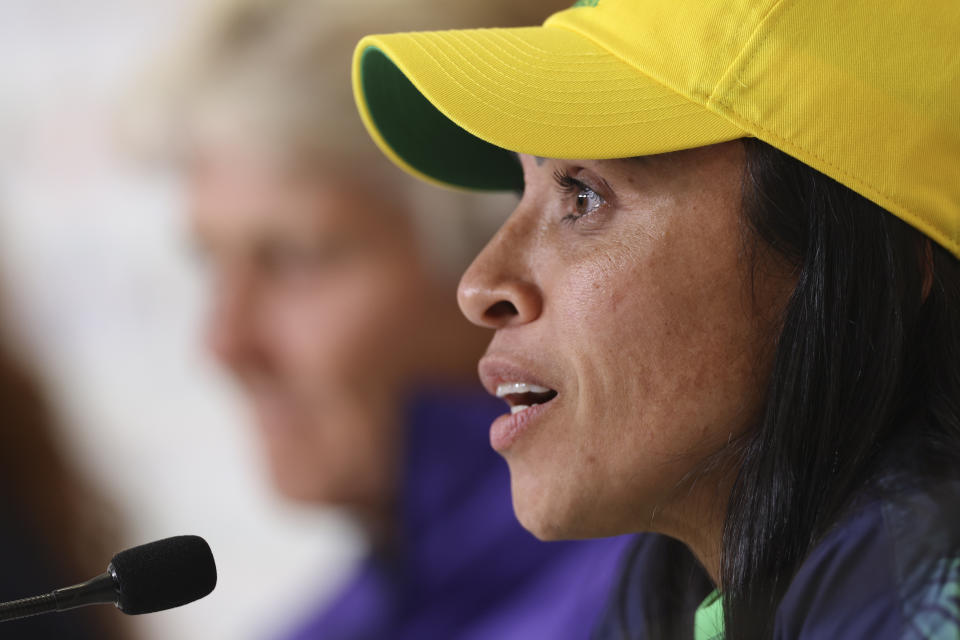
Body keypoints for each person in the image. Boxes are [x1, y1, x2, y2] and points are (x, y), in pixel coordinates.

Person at [351, 0, 960, 638]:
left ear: (867, 262)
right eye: (520, 190)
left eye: (582, 196)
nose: (479, 285)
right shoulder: (679, 597)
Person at [135, 0, 632, 637]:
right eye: (211, 263)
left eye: (292, 260)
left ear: (493, 262)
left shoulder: (662, 602)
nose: (225, 343)